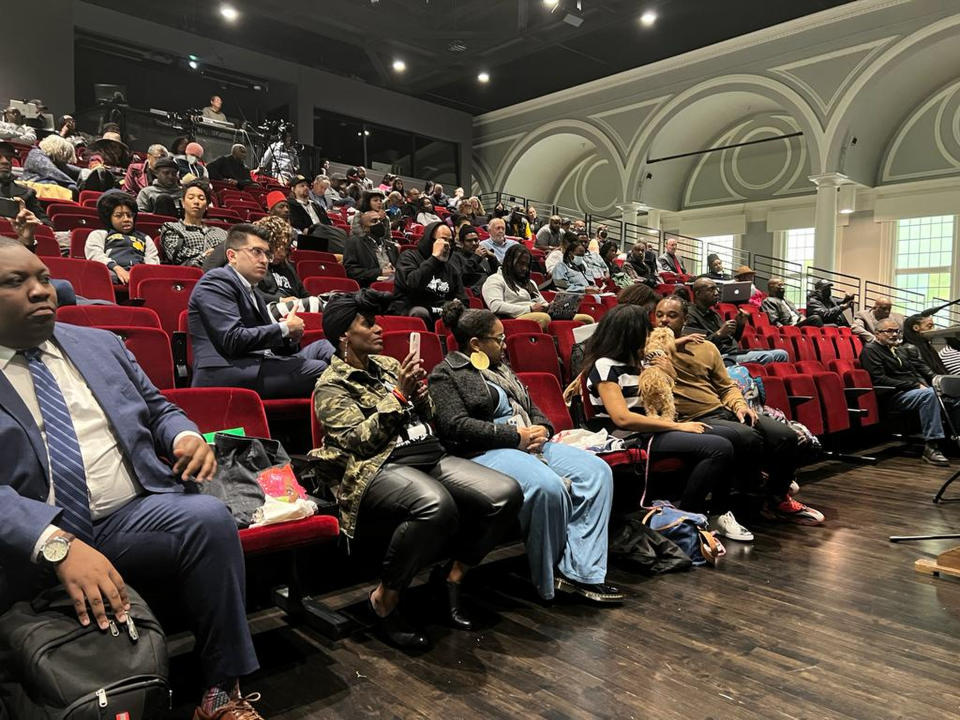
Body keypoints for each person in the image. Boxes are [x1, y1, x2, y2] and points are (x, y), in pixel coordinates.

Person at [0, 237, 264, 720]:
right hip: (30, 538)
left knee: (207, 517)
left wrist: (183, 436)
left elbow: (160, 408)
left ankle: (222, 691)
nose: (40, 291)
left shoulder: (99, 345)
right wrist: (55, 542)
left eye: (43, 278)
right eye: (16, 282)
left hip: (125, 515)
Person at [312, 291, 522, 648]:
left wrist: (421, 396)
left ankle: (452, 576)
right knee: (436, 504)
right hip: (378, 465)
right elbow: (358, 441)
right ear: (344, 336)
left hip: (428, 452)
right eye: (369, 324)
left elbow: (434, 420)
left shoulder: (390, 366)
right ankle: (386, 598)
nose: (379, 329)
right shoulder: (330, 386)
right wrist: (396, 397)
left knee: (506, 493)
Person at [430, 301, 622, 602]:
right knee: (548, 487)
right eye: (499, 339)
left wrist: (542, 429)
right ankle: (550, 578)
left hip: (528, 441)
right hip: (484, 449)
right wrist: (513, 435)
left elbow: (533, 409)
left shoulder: (501, 368)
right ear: (475, 343)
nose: (505, 345)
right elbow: (455, 427)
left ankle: (581, 570)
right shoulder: (445, 374)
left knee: (597, 472)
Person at [655, 296, 825, 528]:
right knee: (747, 437)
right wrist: (671, 345)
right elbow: (645, 359)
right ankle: (749, 497)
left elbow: (726, 386)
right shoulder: (650, 345)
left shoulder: (706, 347)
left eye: (672, 315)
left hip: (721, 410)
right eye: (659, 315)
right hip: (691, 418)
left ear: (685, 319)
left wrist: (740, 406)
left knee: (786, 436)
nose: (664, 320)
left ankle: (776, 498)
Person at [582, 304, 742, 536]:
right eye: (644, 332)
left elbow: (662, 396)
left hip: (653, 429)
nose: (649, 336)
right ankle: (688, 516)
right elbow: (622, 418)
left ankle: (716, 512)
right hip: (629, 436)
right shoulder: (605, 366)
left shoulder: (643, 363)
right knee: (719, 447)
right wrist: (677, 426)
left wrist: (669, 372)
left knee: (730, 436)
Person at [187, 224, 334, 398]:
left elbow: (266, 342)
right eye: (256, 252)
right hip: (230, 372)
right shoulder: (215, 282)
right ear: (232, 256)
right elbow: (232, 339)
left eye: (267, 254)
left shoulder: (253, 291)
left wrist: (290, 337)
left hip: (258, 363)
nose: (264, 260)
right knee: (323, 371)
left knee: (325, 347)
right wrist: (284, 328)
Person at [861, 318, 960, 466]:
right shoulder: (871, 350)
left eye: (896, 331)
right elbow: (879, 380)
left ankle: (954, 440)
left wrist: (926, 385)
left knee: (954, 398)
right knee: (928, 395)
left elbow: (914, 372)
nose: (894, 334)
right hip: (893, 395)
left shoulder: (898, 350)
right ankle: (931, 447)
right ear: (877, 333)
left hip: (912, 392)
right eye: (889, 331)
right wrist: (913, 385)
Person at [685, 278, 788, 365]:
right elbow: (697, 346)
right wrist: (719, 334)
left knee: (782, 354)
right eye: (711, 289)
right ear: (698, 293)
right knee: (767, 357)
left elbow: (732, 341)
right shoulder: (690, 315)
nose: (717, 293)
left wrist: (740, 324)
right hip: (716, 358)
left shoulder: (714, 314)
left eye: (716, 289)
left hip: (732, 353)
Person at [389, 221, 466, 322]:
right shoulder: (409, 257)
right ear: (430, 240)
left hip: (444, 311)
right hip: (412, 307)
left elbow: (463, 298)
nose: (447, 246)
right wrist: (434, 259)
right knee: (419, 312)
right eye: (443, 240)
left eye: (450, 242)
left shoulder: (451, 268)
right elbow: (411, 284)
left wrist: (458, 305)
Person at [84, 191, 160, 284]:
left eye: (129, 215)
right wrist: (116, 268)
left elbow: (152, 261)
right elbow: (95, 255)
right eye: (119, 216)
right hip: (110, 271)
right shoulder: (99, 234)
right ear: (109, 218)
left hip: (139, 274)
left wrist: (140, 274)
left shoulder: (145, 238)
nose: (126, 219)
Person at [253, 215, 322, 316]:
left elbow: (303, 293)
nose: (282, 254)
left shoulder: (287, 267)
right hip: (268, 311)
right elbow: (250, 294)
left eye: (285, 248)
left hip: (294, 311)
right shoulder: (255, 264)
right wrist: (280, 300)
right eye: (276, 247)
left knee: (325, 302)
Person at [159, 180, 228, 267]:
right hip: (191, 276)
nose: (196, 202)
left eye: (201, 198)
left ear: (207, 206)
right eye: (191, 198)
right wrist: (209, 256)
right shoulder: (172, 228)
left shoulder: (220, 232)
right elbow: (177, 256)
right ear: (183, 203)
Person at [343, 210, 399, 288]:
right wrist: (379, 272)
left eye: (380, 220)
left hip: (393, 285)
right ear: (365, 228)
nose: (380, 223)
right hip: (369, 288)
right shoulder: (355, 243)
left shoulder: (391, 246)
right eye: (374, 221)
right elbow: (351, 271)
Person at [0, 142, 49, 224]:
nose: (5, 161)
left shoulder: (27, 193)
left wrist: (37, 223)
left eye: (8, 158)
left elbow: (47, 223)